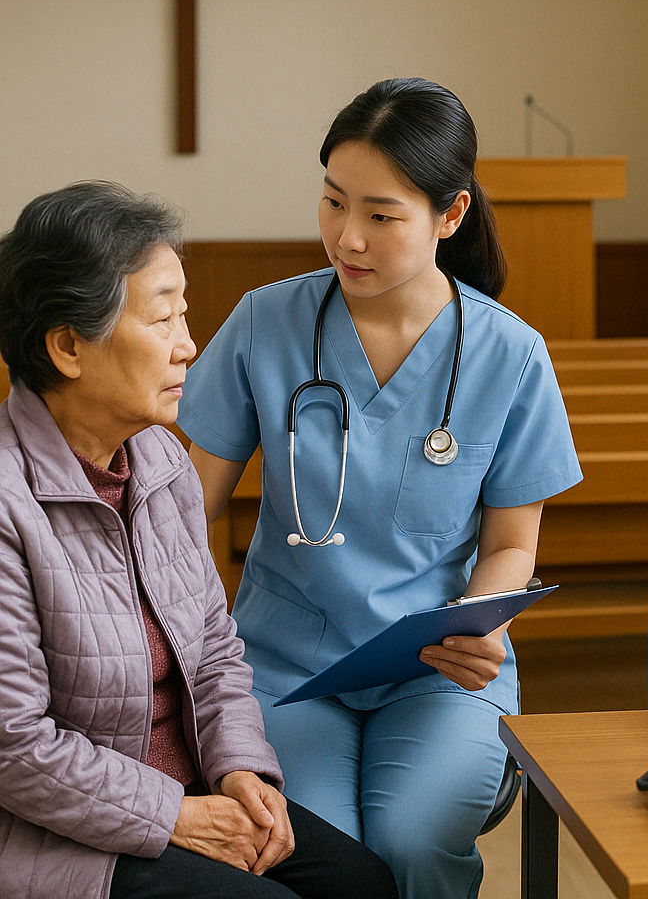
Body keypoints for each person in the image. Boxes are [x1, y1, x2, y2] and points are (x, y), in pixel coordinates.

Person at [177, 77, 582, 899]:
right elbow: (185, 509)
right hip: (283, 668)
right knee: (324, 859)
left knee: (413, 839)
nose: (347, 237)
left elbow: (511, 545)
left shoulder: (510, 355)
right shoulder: (264, 323)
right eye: (333, 202)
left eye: (381, 215)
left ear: (451, 215)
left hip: (437, 671)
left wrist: (482, 623)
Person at [0, 182, 399, 899]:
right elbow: (15, 747)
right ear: (67, 346)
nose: (188, 346)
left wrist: (240, 769)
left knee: (363, 883)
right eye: (163, 319)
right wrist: (176, 817)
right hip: (58, 830)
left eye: (184, 315)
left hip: (188, 786)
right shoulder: (8, 500)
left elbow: (213, 649)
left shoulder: (159, 461)